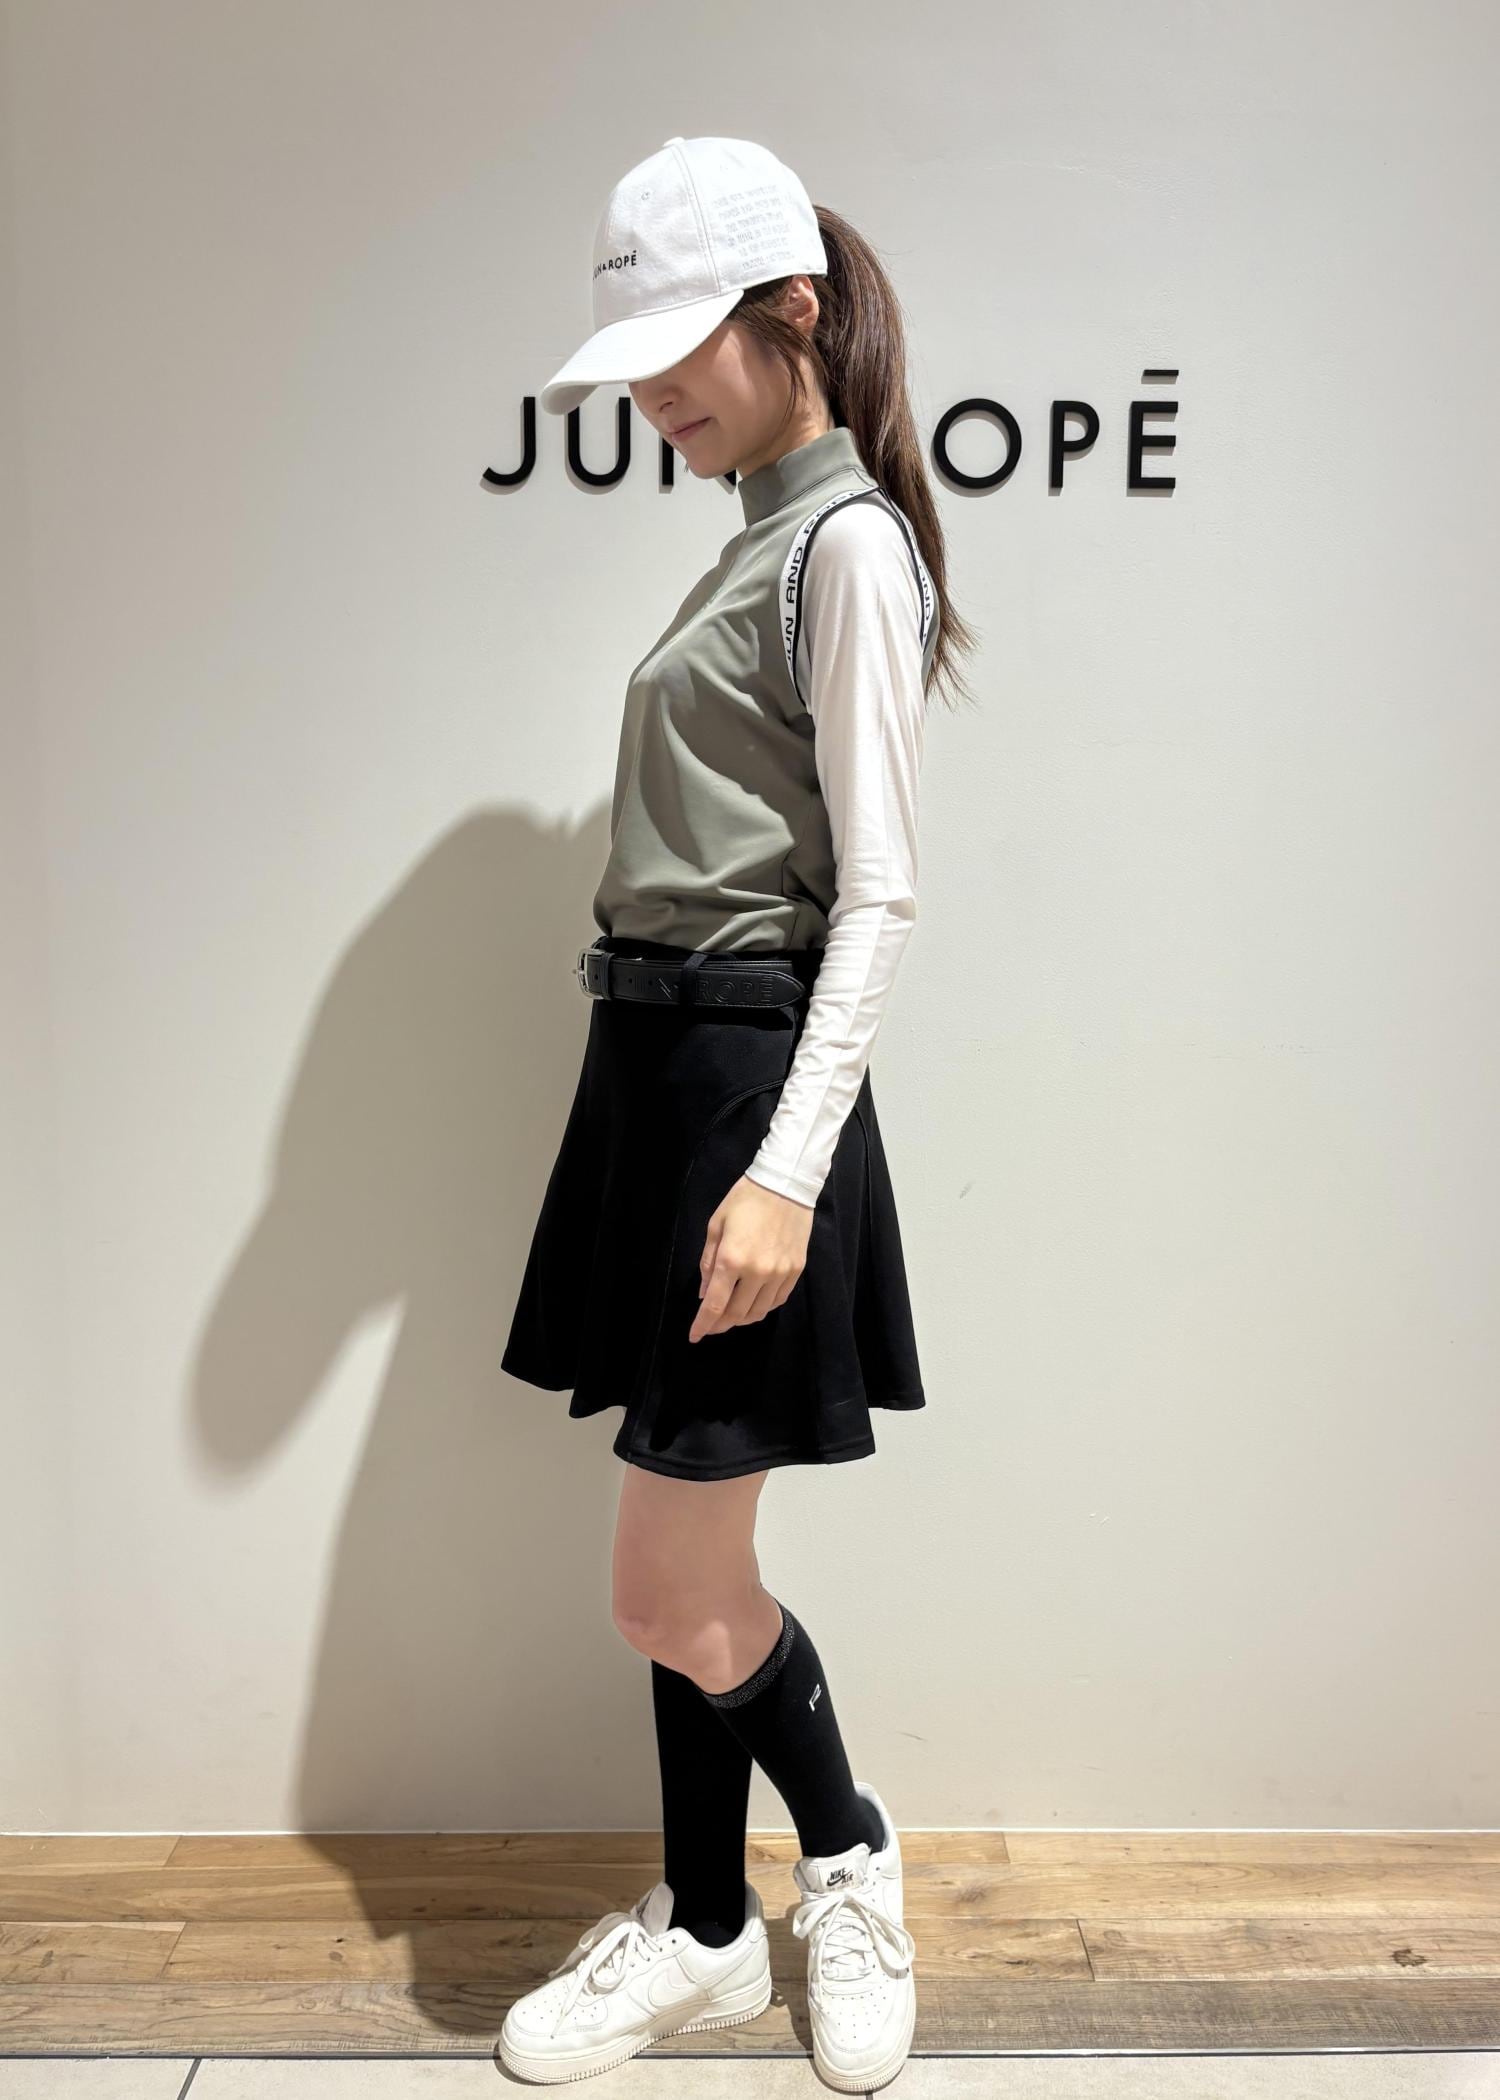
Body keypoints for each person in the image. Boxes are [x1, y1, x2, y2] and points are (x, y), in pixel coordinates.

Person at [497, 135, 977, 2091]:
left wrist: (783, 1168)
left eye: (678, 349)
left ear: (790, 311)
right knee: (677, 1563)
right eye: (633, 363)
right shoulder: (751, 540)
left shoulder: (844, 546)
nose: (655, 397)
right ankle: (707, 1929)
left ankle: (844, 1854)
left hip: (740, 1091)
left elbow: (881, 893)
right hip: (653, 1077)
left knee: (664, 1580)